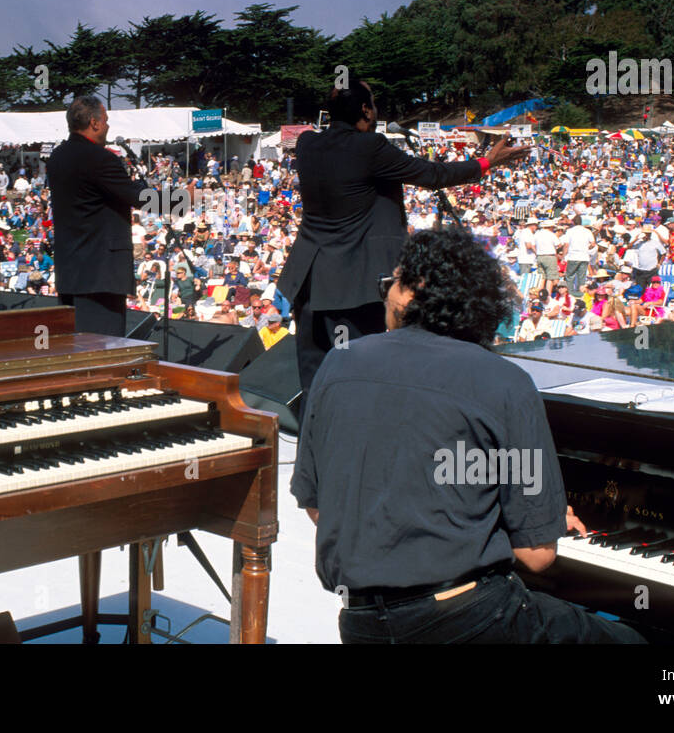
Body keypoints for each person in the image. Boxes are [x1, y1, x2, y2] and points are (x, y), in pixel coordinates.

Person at [292, 229, 643, 643]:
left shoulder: (338, 362)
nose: (384, 295)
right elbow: (537, 555)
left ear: (413, 293)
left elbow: (320, 505)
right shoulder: (505, 381)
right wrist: (536, 518)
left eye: (391, 283)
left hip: (361, 624)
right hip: (469, 619)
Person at [275, 77, 529, 427]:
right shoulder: (371, 148)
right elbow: (432, 173)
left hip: (311, 283)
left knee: (316, 383)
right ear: (366, 110)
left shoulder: (306, 144)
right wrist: (486, 163)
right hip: (355, 286)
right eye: (373, 102)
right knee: (364, 386)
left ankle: (315, 464)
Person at [47, 96, 149, 336]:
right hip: (100, 272)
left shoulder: (57, 157)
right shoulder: (100, 159)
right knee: (103, 350)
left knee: (76, 350)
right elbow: (138, 197)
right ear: (94, 123)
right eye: (105, 120)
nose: (108, 126)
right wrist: (184, 200)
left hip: (71, 270)